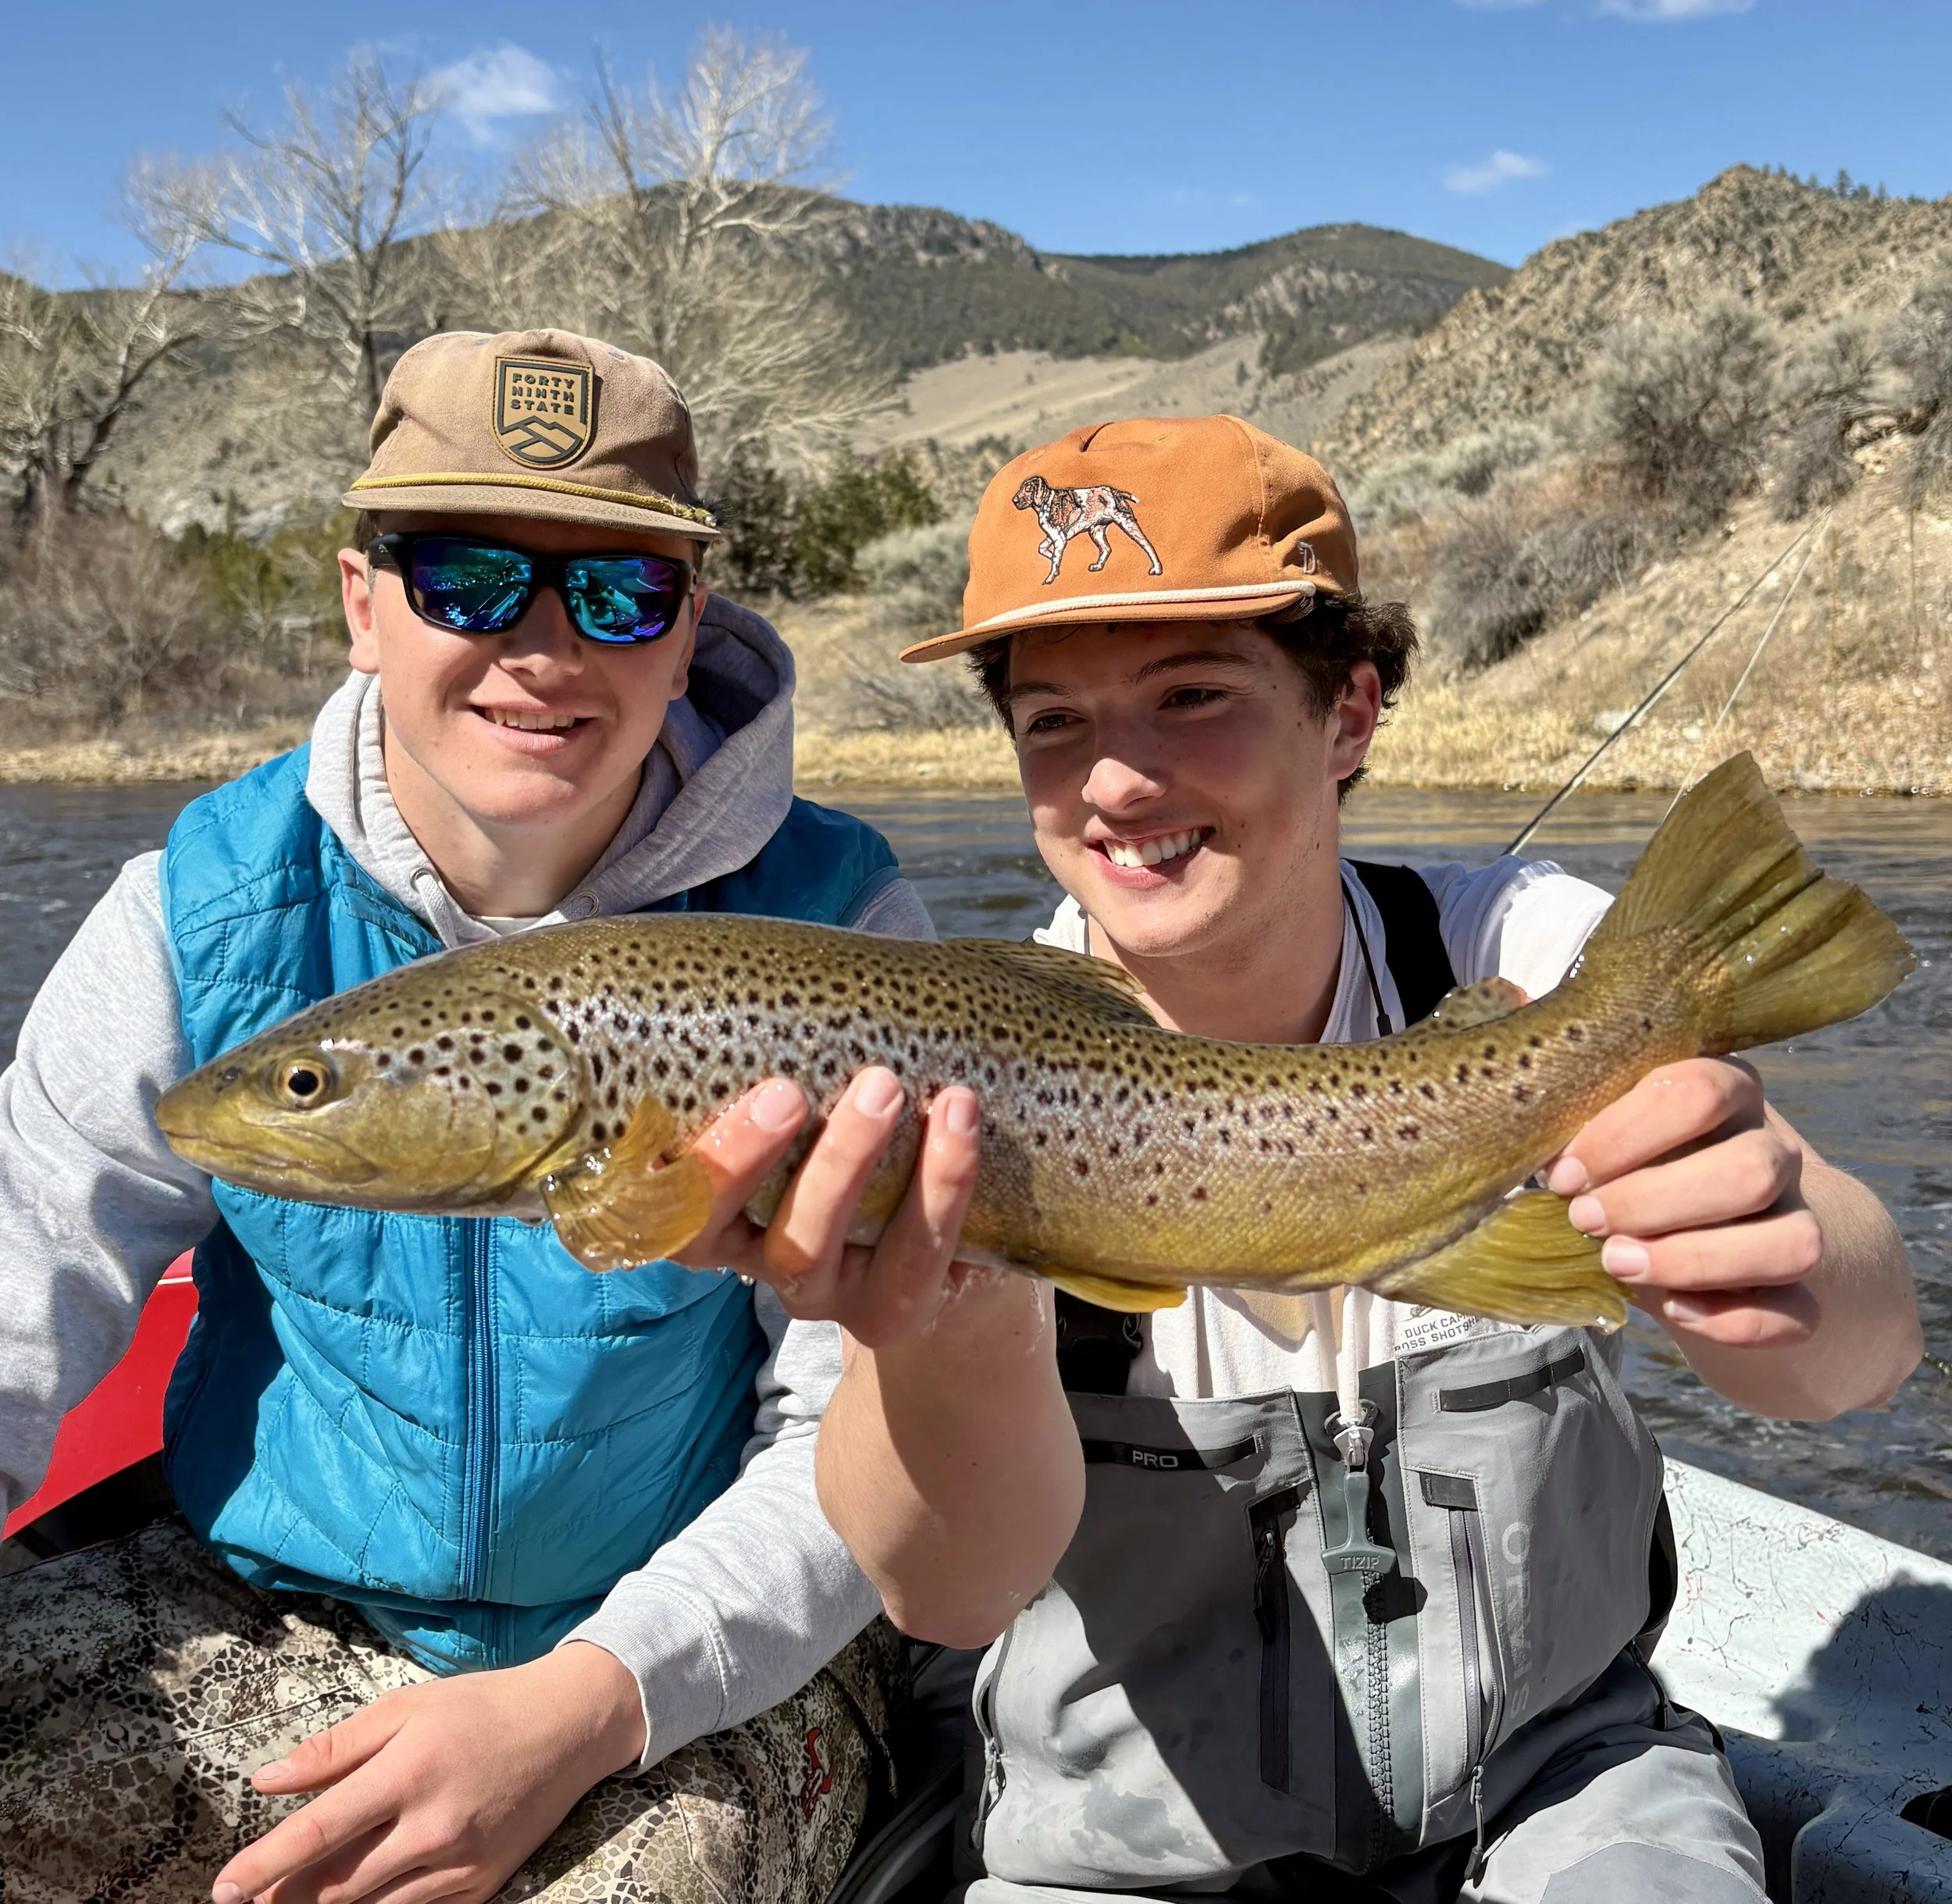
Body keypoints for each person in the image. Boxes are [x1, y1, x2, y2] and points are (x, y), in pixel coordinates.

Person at [711, 416, 1925, 1901]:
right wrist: (950, 1305)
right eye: (1054, 723)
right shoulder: (944, 1080)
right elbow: (948, 1589)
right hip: (1124, 1851)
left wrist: (1786, 1250)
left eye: (1192, 695)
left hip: (1566, 1784)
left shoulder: (1530, 956)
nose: (1114, 781)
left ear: (1348, 712)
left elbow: (1858, 1363)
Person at [0, 327, 949, 1904]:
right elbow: (20, 1289)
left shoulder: (842, 932)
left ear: (688, 623)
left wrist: (586, 1706)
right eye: (466, 577)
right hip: (260, 1593)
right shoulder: (194, 914)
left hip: (680, 1641)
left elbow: (852, 1450)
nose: (545, 645)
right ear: (361, 604)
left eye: (620, 590)